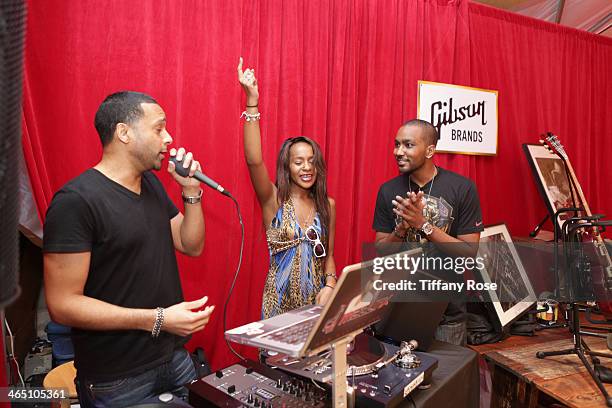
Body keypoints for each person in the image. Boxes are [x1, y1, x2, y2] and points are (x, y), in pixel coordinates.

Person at [43, 91, 214, 407]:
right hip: (117, 379)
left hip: (173, 358)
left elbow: (191, 245)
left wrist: (192, 192)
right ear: (124, 133)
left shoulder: (149, 183)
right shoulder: (76, 202)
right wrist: (157, 319)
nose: (169, 137)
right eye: (159, 128)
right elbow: (62, 304)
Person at [237, 58, 337, 319]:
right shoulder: (273, 200)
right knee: (276, 362)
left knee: (318, 361)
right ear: (287, 166)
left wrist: (330, 285)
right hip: (278, 308)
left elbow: (329, 256)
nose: (307, 168)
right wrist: (252, 101)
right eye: (298, 162)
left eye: (312, 161)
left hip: (316, 306)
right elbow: (253, 160)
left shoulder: (328, 205)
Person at [372, 119, 483, 345]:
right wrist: (401, 228)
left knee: (447, 377)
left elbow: (469, 253)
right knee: (398, 377)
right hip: (399, 308)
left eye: (408, 145)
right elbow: (382, 250)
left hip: (447, 313)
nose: (398, 152)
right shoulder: (388, 190)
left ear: (430, 150)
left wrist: (423, 224)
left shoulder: (462, 188)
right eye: (396, 144)